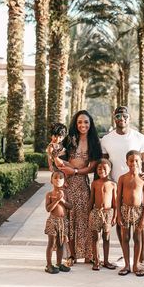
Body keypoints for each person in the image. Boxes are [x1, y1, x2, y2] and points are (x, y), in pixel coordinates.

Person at [101, 105, 144, 273]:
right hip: (116, 186)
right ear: (114, 118)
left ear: (129, 118)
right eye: (118, 116)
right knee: (120, 222)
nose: (121, 119)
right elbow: (103, 162)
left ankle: (143, 259)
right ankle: (125, 257)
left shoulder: (140, 138)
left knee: (141, 225)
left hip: (136, 186)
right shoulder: (106, 140)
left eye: (124, 116)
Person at [56, 110, 102, 264]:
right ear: (76, 124)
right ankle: (71, 255)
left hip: (82, 184)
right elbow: (57, 159)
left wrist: (75, 171)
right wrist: (63, 177)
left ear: (90, 124)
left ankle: (88, 254)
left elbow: (91, 168)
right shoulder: (69, 140)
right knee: (68, 218)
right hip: (67, 183)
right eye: (80, 122)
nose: (83, 125)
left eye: (86, 122)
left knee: (83, 219)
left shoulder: (95, 142)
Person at [117, 150, 144, 276]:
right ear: (126, 162)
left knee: (137, 238)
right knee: (125, 237)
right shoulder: (122, 178)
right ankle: (126, 265)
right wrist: (119, 215)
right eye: (131, 160)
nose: (134, 163)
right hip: (125, 210)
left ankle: (136, 265)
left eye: (137, 160)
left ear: (141, 162)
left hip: (138, 211)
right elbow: (118, 198)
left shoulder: (143, 179)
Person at [89, 159, 117, 271]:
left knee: (106, 237)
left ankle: (106, 261)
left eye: (105, 168)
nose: (102, 170)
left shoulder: (113, 184)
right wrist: (89, 214)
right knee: (95, 238)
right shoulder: (95, 183)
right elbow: (91, 200)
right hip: (96, 212)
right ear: (96, 170)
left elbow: (115, 203)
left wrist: (115, 216)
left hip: (108, 213)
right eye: (99, 168)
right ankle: (96, 261)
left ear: (110, 170)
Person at [44, 170, 72, 274]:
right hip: (53, 221)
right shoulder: (49, 194)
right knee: (51, 243)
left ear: (64, 181)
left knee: (61, 243)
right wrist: (56, 200)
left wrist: (63, 201)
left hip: (63, 221)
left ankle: (59, 263)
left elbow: (70, 206)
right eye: (55, 177)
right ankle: (49, 265)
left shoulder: (66, 193)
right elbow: (48, 209)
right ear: (51, 180)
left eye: (60, 177)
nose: (58, 179)